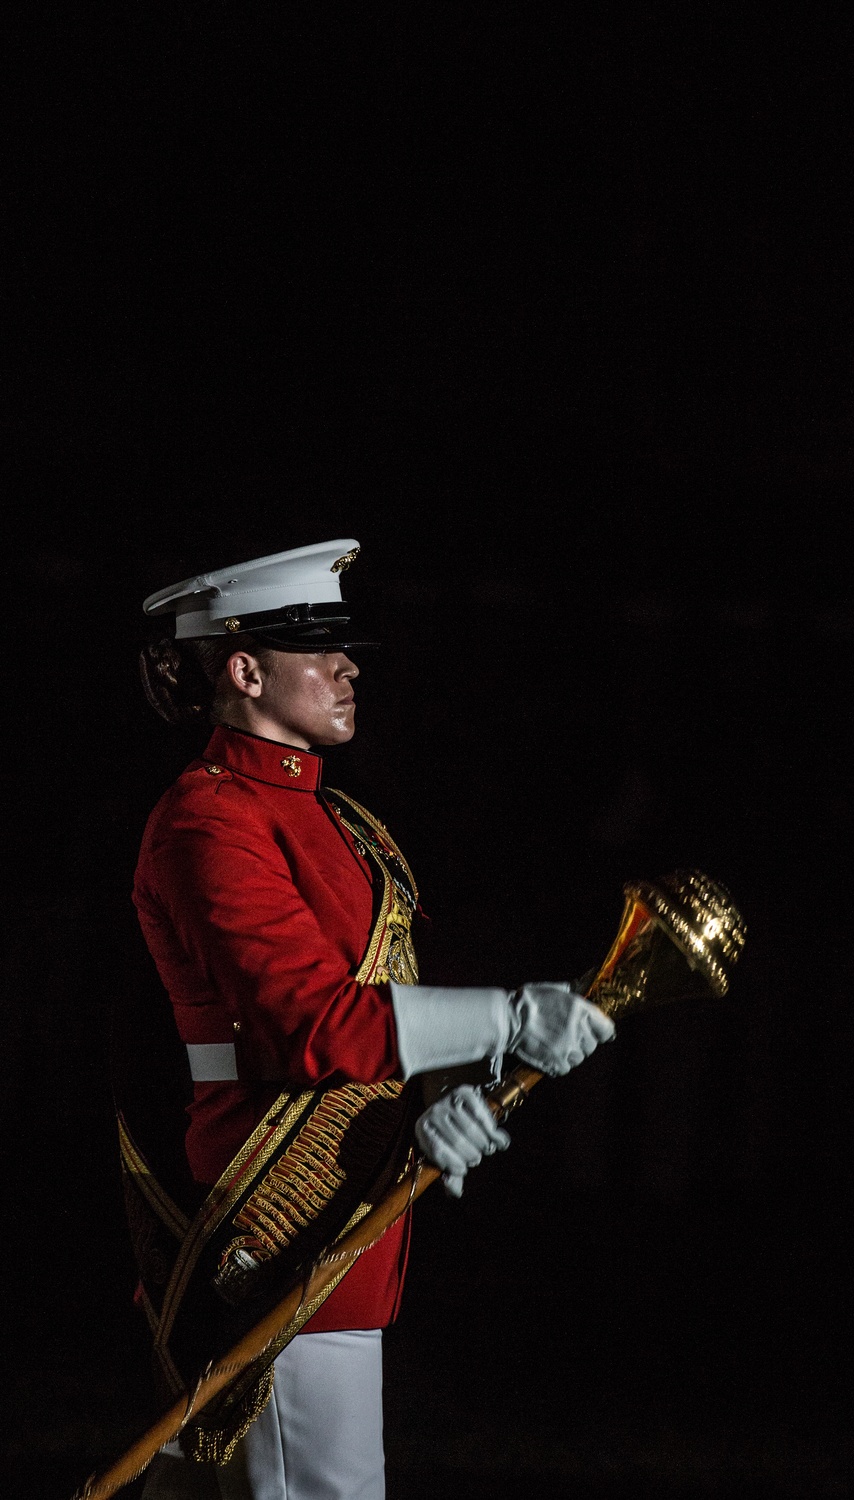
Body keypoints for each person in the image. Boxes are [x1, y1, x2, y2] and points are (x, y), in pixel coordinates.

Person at [124, 538, 615, 1500]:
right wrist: (508, 1019)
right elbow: (310, 1025)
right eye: (319, 648)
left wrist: (443, 1100)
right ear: (245, 669)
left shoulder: (342, 822)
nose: (349, 666)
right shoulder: (208, 821)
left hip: (344, 1214)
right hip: (271, 1230)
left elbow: (384, 1014)